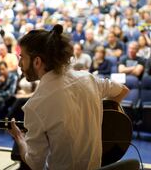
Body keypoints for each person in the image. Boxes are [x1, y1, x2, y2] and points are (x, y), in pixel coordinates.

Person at [8, 25, 129, 169]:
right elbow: (123, 90)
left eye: (22, 57)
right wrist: (102, 120)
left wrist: (19, 138)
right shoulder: (89, 79)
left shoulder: (35, 105)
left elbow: (35, 164)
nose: (20, 63)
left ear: (37, 62)